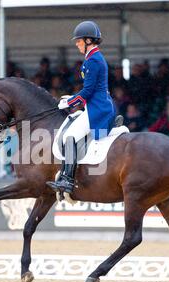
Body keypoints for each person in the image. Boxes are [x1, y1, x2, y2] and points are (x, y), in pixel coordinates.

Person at [46, 21, 116, 194]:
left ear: (88, 40)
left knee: (70, 135)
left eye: (79, 41)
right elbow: (91, 90)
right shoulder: (93, 58)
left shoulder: (93, 61)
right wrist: (72, 98)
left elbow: (88, 91)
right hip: (96, 104)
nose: (77, 44)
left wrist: (68, 103)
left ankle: (67, 180)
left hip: (97, 109)